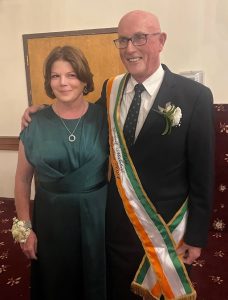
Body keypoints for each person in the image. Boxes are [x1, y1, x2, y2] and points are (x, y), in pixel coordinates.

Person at [21, 10, 214, 300]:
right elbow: (76, 112)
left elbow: (203, 173)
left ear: (161, 41)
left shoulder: (195, 96)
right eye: (123, 40)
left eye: (140, 38)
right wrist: (38, 109)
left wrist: (197, 235)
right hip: (111, 224)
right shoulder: (111, 90)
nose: (130, 48)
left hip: (166, 228)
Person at [13, 46, 109, 300]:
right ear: (48, 81)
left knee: (97, 282)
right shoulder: (34, 123)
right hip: (51, 220)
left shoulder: (106, 117)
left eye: (72, 75)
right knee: (57, 284)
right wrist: (24, 230)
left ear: (84, 79)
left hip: (98, 219)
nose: (63, 82)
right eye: (55, 76)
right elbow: (22, 181)